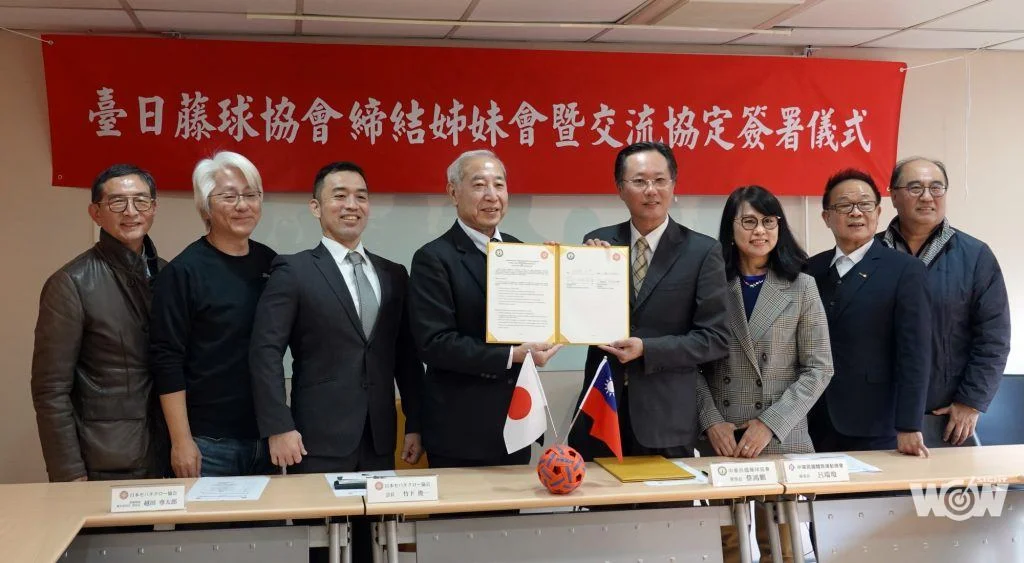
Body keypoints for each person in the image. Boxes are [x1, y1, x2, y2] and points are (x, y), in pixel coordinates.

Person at [250, 161, 424, 474]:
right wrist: (278, 425)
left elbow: (406, 357)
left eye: (361, 197)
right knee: (319, 510)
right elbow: (266, 352)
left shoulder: (394, 274)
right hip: (316, 439)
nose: (352, 205)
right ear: (316, 207)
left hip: (379, 437)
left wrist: (415, 422)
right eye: (340, 196)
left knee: (381, 511)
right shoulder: (294, 271)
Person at [696, 185, 833, 563]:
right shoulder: (709, 287)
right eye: (749, 222)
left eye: (769, 222)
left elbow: (819, 367)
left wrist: (769, 424)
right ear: (731, 228)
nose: (760, 231)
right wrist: (711, 422)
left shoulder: (802, 286)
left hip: (780, 436)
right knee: (728, 548)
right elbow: (690, 364)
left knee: (784, 549)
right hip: (724, 440)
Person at [569, 141, 730, 460]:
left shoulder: (702, 252)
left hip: (665, 417)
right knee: (601, 494)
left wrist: (648, 349)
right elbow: (577, 320)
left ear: (674, 185)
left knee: (664, 495)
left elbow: (715, 339)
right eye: (639, 181)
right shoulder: (598, 243)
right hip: (602, 409)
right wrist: (575, 271)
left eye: (660, 180)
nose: (651, 190)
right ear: (620, 189)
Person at [408, 149, 561, 468]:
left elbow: (535, 323)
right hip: (460, 429)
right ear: (453, 192)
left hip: (516, 421)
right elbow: (435, 344)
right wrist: (512, 355)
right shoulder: (434, 258)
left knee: (514, 503)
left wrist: (563, 270)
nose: (492, 196)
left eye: (499, 185)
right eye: (479, 185)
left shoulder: (522, 251)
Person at [31, 164, 167, 482]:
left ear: (153, 208)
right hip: (104, 458)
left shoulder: (168, 273)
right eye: (117, 202)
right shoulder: (71, 283)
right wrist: (68, 472)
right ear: (96, 213)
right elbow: (50, 389)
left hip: (162, 453)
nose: (131, 211)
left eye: (141, 201)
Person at [150, 151, 276, 478]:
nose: (242, 205)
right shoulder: (183, 272)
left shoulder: (271, 264)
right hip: (208, 443)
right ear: (205, 206)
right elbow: (167, 359)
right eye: (229, 196)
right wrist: (181, 441)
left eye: (251, 195)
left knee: (275, 515)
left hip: (266, 437)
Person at [881, 157, 1010, 447]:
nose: (927, 197)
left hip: (946, 415)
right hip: (879, 414)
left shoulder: (975, 256)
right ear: (893, 195)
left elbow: (994, 337)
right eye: (915, 187)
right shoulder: (872, 253)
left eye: (936, 188)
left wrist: (971, 401)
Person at [805, 169, 931, 457]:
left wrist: (909, 424)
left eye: (864, 204)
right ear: (826, 217)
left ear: (878, 212)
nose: (855, 213)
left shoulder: (905, 270)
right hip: (813, 418)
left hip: (876, 423)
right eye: (844, 205)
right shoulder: (809, 270)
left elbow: (916, 353)